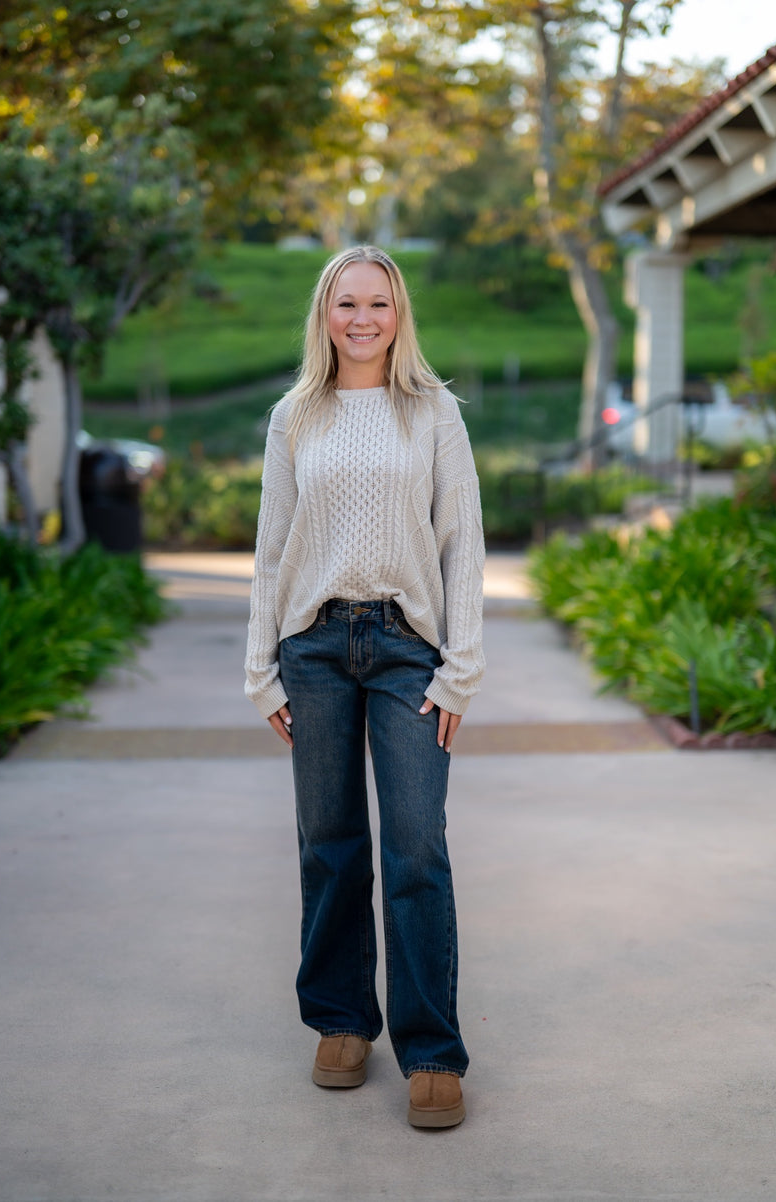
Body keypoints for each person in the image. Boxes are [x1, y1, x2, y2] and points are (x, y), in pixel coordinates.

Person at [244, 245, 485, 1129]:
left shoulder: (433, 413)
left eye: (377, 304)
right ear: (325, 313)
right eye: (346, 303)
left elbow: (463, 544)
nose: (361, 319)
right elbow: (271, 552)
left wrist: (461, 671)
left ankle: (432, 1052)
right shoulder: (294, 416)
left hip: (405, 650)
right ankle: (342, 1023)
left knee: (416, 846)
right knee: (331, 841)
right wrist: (259, 665)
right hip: (311, 649)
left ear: (398, 313)